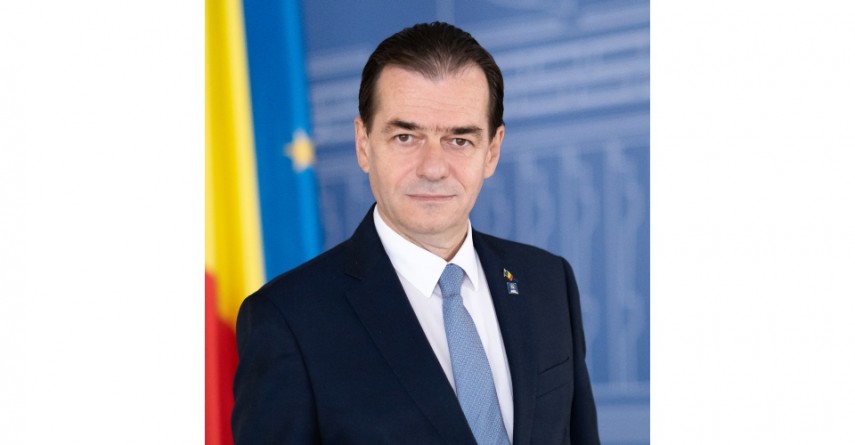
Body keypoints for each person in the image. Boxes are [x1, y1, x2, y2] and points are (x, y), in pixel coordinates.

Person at [232, 22, 600, 445]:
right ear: (364, 143)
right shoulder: (288, 321)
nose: (433, 168)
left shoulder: (548, 282)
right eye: (406, 137)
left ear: (492, 151)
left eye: (459, 140)